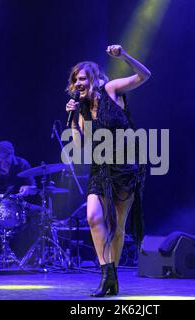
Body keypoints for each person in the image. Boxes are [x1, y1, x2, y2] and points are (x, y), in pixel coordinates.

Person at [65, 45, 151, 296]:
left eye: (82, 78)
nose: (78, 83)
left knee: (118, 226)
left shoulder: (111, 90)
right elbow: (80, 146)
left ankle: (112, 282)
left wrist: (123, 56)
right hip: (100, 166)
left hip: (125, 165)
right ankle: (107, 274)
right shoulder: (81, 108)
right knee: (93, 216)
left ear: (92, 78)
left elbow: (145, 75)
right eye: (75, 80)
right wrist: (72, 117)